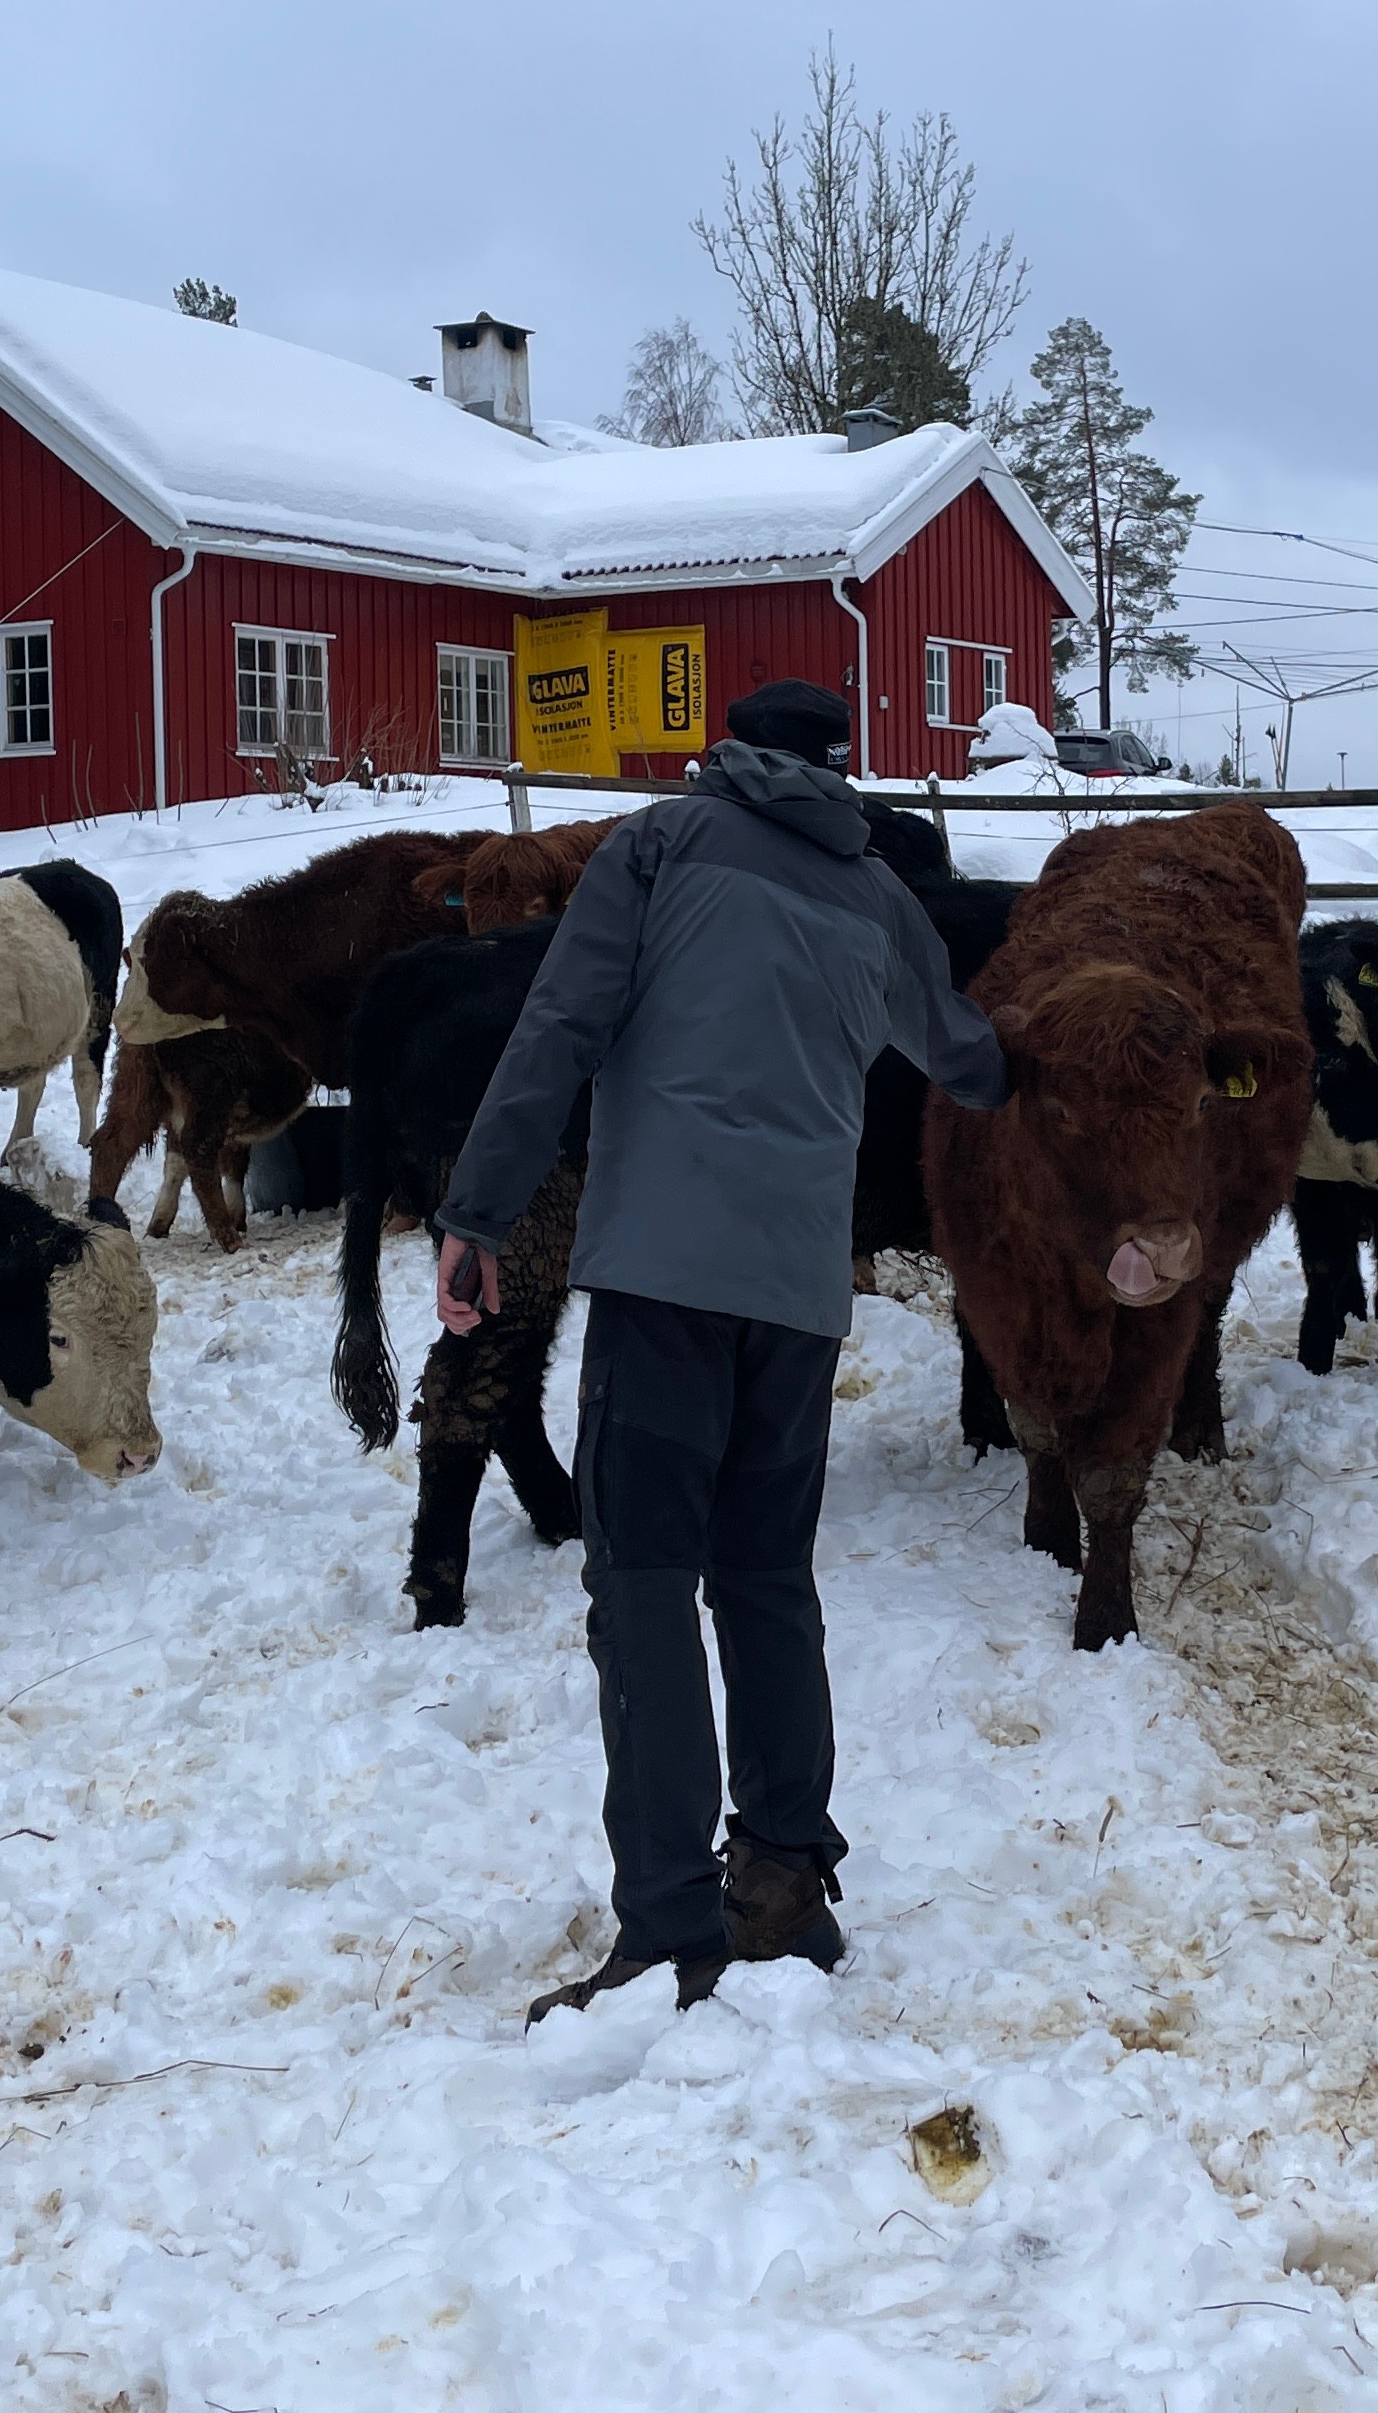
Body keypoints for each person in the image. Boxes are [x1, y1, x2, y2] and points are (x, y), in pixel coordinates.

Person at [431, 677, 1010, 2022]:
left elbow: (560, 1026)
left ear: (727, 753)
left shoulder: (657, 847)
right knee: (765, 1581)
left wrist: (478, 1210)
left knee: (639, 1588)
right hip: (801, 1295)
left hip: (661, 1282)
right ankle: (789, 1884)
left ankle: (671, 1931)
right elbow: (971, 1062)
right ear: (837, 768)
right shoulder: (878, 898)